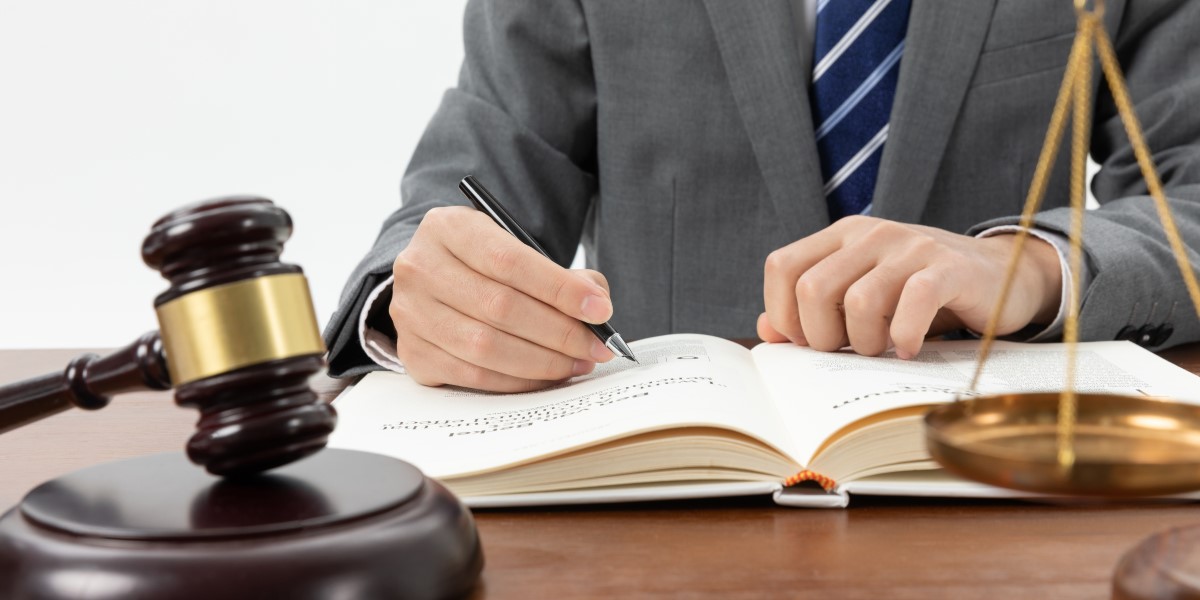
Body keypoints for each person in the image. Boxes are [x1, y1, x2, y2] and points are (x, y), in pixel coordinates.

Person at [323, 0, 1200, 393]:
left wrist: (1029, 264)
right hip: (660, 496)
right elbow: (466, 190)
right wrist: (412, 299)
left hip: (993, 477)